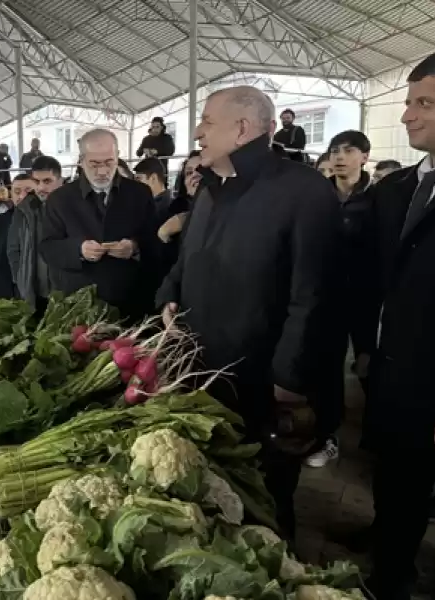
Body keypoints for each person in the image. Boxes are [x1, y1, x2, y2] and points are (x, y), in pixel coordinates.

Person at [156, 87, 343, 539]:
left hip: (264, 382)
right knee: (216, 488)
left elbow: (314, 296)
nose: (197, 132)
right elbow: (187, 259)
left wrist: (289, 380)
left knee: (267, 498)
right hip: (202, 372)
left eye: (206, 121)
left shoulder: (303, 191)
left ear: (242, 128)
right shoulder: (210, 188)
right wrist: (169, 294)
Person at [356, 47, 435, 600]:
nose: (407, 115)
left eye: (424, 102)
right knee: (396, 502)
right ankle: (390, 581)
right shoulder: (396, 191)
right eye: (407, 102)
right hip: (396, 384)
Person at [305, 130, 374, 469]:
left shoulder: (379, 198)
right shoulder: (317, 198)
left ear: (364, 155)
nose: (339, 156)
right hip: (326, 298)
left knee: (369, 368)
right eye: (334, 151)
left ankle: (379, 440)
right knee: (326, 369)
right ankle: (326, 436)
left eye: (348, 150)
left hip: (367, 301)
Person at [40, 129, 160, 321]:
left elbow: (155, 240)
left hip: (131, 303)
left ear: (117, 156)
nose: (102, 171)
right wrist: (79, 250)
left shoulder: (140, 193)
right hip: (79, 307)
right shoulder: (60, 199)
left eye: (109, 163)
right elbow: (47, 247)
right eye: (94, 164)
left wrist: (134, 247)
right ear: (81, 160)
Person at [8, 156, 63, 312]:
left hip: (63, 293)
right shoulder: (24, 209)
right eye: (36, 182)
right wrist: (20, 279)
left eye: (47, 181)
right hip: (33, 293)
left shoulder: (72, 208)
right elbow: (13, 249)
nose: (40, 188)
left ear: (60, 181)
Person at [0, 173, 36, 300]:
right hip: (5, 293)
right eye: (17, 191)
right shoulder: (1, 221)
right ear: (11, 195)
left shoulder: (46, 220)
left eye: (29, 191)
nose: (22, 196)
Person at [158, 151, 201, 274]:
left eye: (202, 169)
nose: (195, 175)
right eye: (189, 172)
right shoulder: (173, 212)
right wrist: (164, 234)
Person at [133, 157, 171, 223]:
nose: (135, 184)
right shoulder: (166, 202)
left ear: (153, 178)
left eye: (139, 179)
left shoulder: (160, 209)